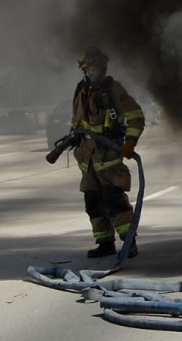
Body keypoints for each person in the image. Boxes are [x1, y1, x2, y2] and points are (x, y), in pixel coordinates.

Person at [71, 46, 145, 258]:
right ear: (85, 71)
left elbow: (136, 116)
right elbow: (77, 121)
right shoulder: (81, 91)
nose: (96, 74)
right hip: (88, 160)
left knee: (115, 202)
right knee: (93, 203)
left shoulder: (113, 89)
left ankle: (129, 242)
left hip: (109, 158)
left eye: (99, 69)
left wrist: (129, 142)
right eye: (92, 70)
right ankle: (105, 243)